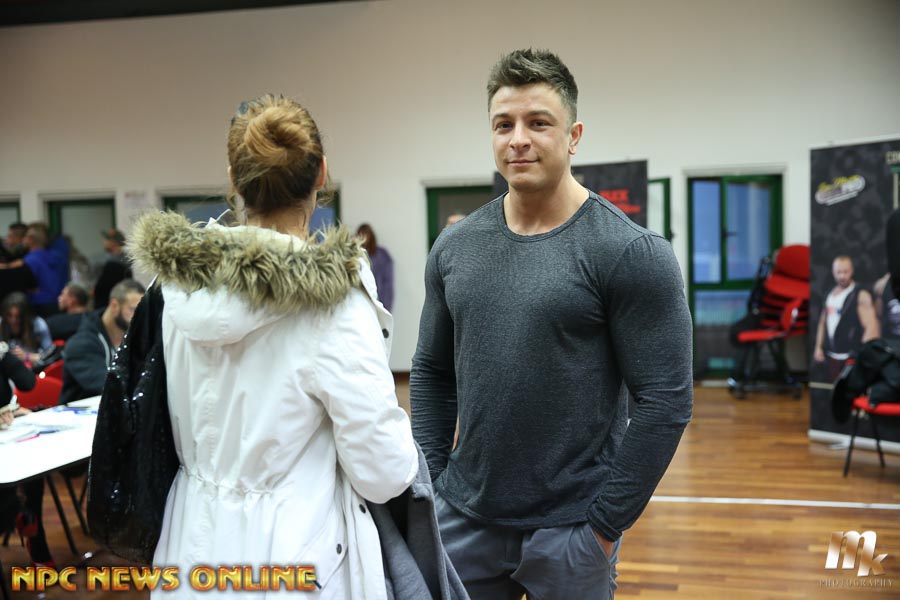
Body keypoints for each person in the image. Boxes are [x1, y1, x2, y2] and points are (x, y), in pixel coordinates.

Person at [411, 48, 693, 600]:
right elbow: (430, 371)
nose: (518, 139)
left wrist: (603, 528)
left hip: (572, 531)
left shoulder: (629, 252)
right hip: (464, 518)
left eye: (538, 122)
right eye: (503, 124)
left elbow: (666, 400)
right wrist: (437, 487)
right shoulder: (454, 247)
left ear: (573, 135)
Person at [128, 94, 417, 598]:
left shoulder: (175, 290)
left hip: (191, 543)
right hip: (296, 552)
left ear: (234, 180)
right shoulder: (333, 305)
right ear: (322, 173)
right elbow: (382, 473)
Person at [0, 343, 55, 567]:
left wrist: (4, 356)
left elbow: (27, 383)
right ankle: (19, 515)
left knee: (34, 467)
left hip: (7, 439)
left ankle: (33, 532)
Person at [58, 279, 145, 405]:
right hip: (82, 414)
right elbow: (108, 386)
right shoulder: (81, 344)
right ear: (114, 306)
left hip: (119, 411)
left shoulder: (136, 339)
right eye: (133, 310)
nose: (139, 318)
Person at [813, 255, 880, 380]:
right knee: (833, 388)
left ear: (852, 271)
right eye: (839, 272)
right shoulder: (829, 294)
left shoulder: (860, 294)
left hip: (851, 356)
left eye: (845, 272)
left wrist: (863, 356)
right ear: (833, 272)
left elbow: (871, 327)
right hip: (831, 356)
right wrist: (818, 347)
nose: (842, 276)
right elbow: (822, 322)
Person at [0, 292, 53, 365]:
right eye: (10, 315)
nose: (13, 320)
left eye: (18, 316)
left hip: (33, 367)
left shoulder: (38, 325)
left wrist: (27, 356)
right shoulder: (1, 324)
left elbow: (51, 356)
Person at [356, 223, 395, 311]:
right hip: (362, 304)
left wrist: (386, 307)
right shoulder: (356, 256)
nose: (363, 238)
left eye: (365, 234)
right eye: (361, 234)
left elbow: (388, 283)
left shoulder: (382, 256)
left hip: (380, 301)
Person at [93, 229, 133, 309]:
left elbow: (103, 287)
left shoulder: (116, 263)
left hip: (111, 304)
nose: (104, 241)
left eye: (107, 239)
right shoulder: (120, 259)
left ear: (115, 242)